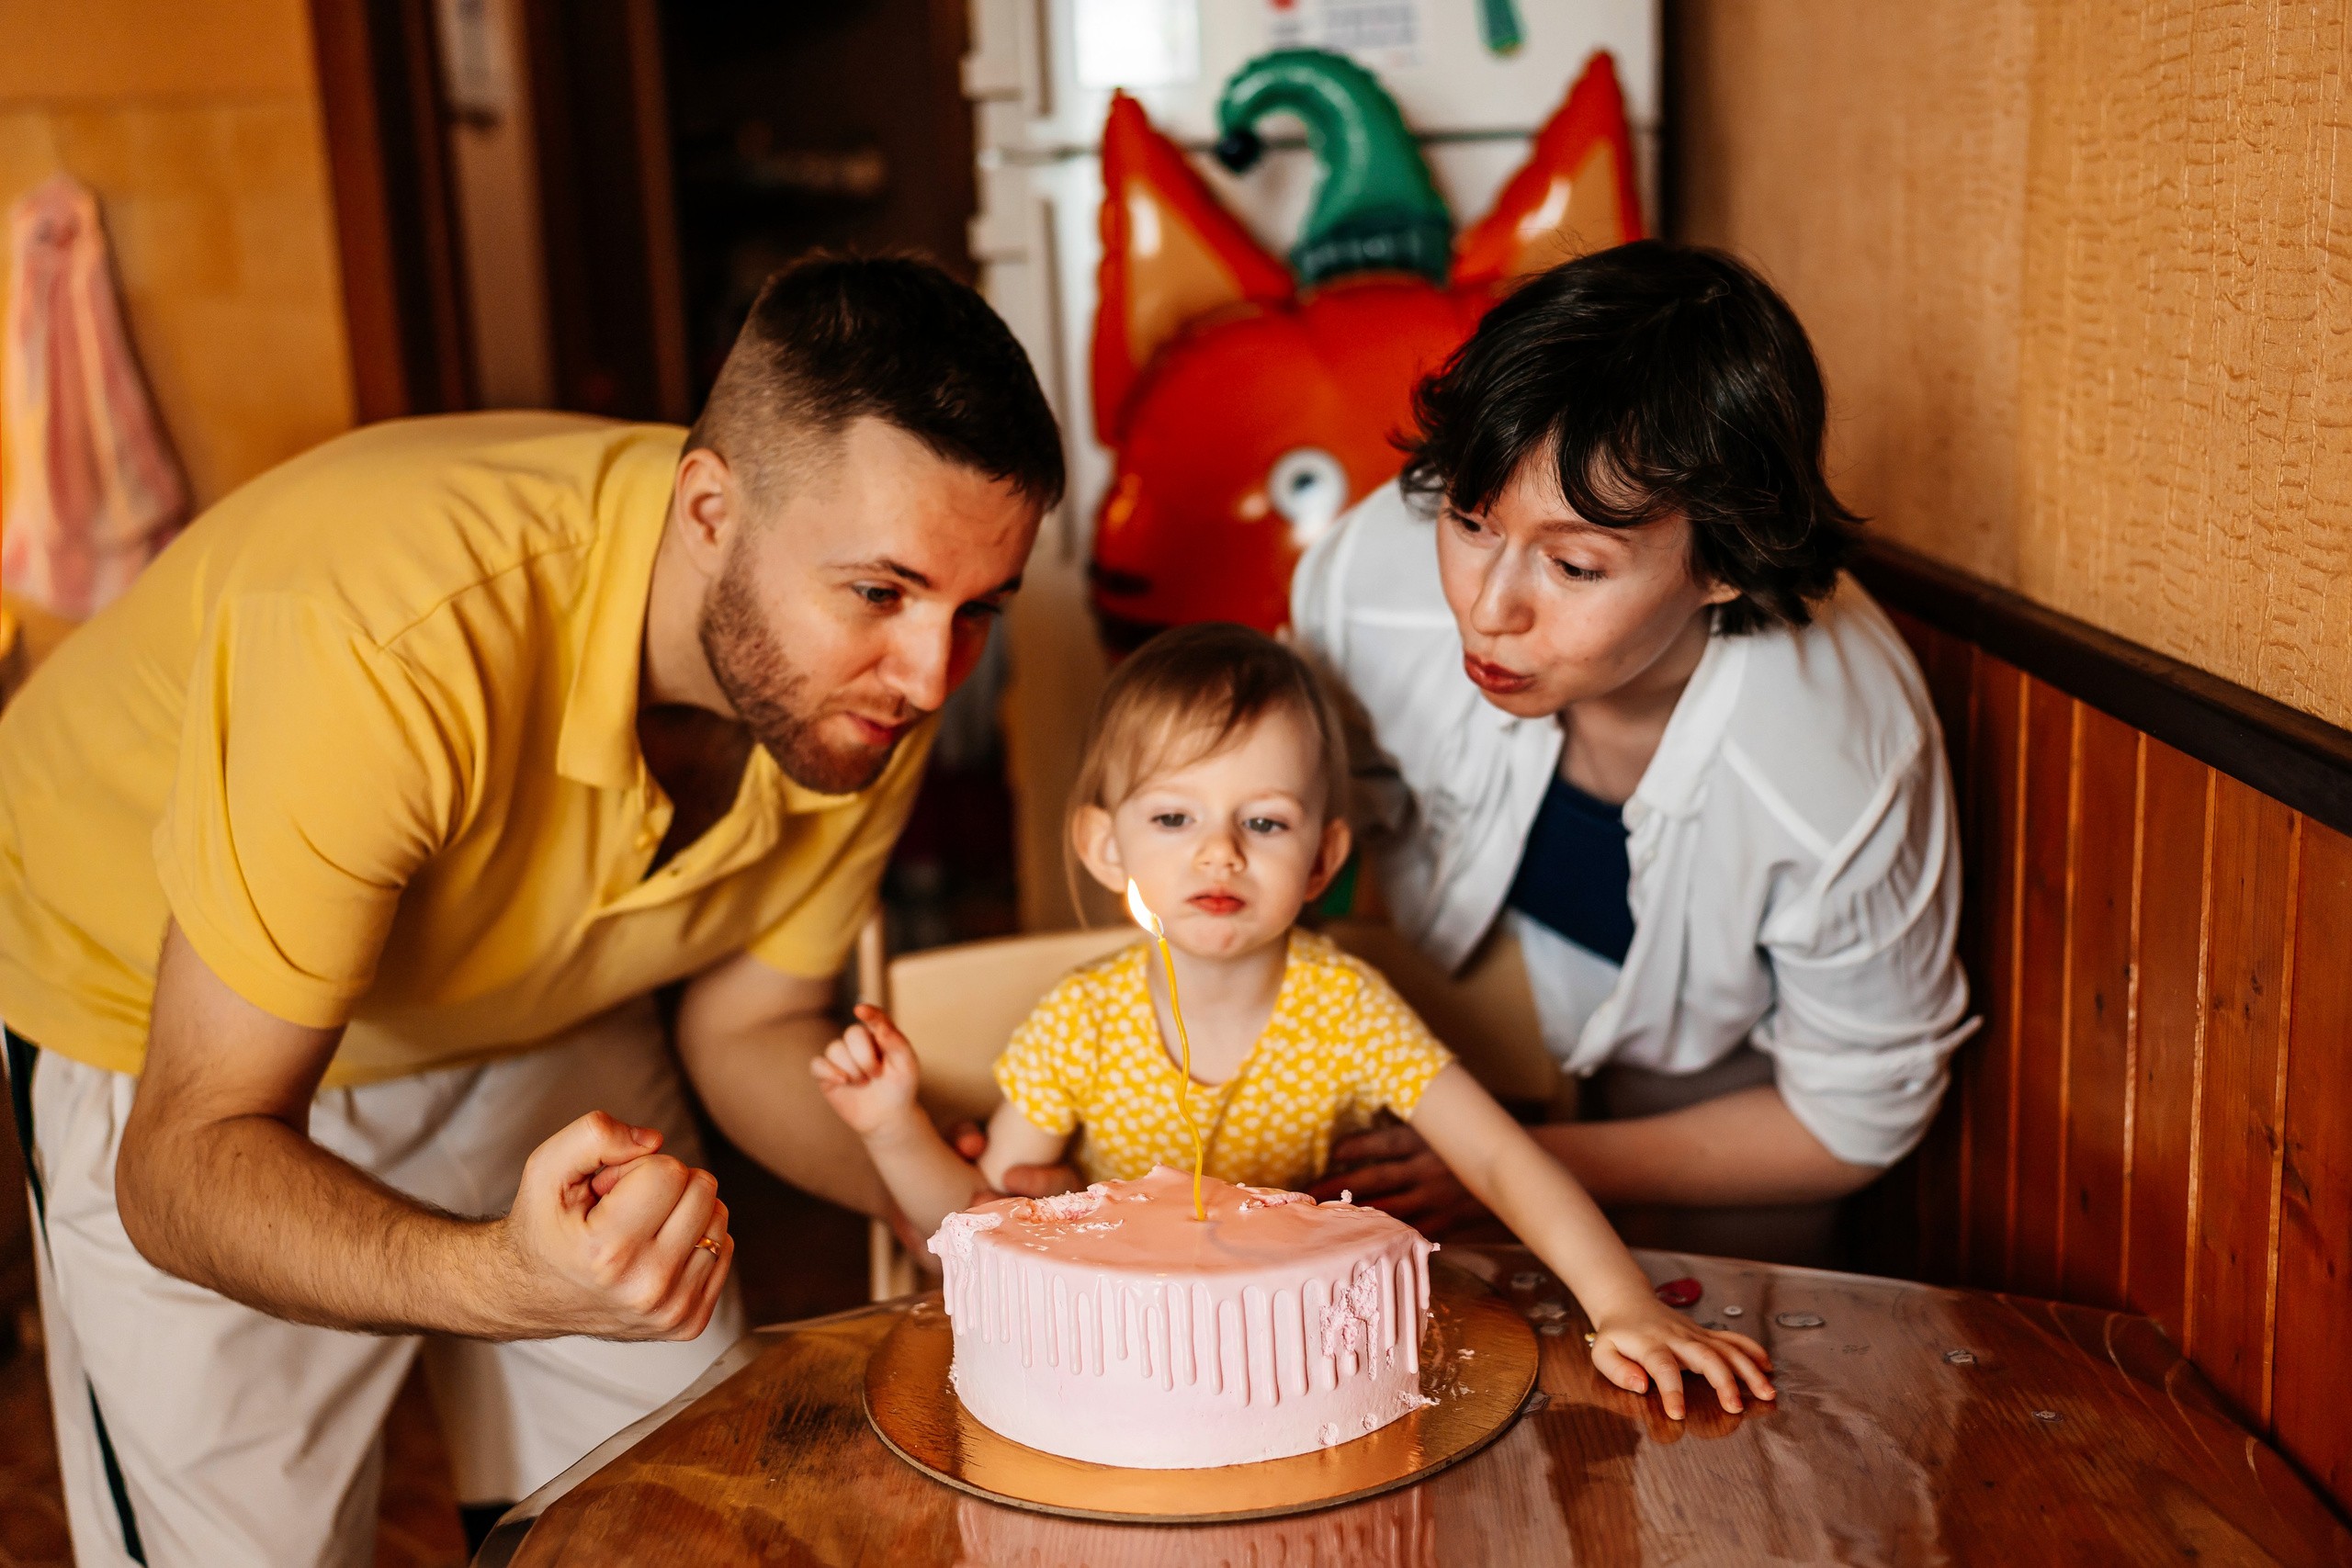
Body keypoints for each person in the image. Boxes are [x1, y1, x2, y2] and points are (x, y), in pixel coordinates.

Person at [0, 253, 1062, 1566]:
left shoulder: (854, 688)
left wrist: (957, 1210)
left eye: (977, 610)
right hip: (171, 1033)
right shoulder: (387, 632)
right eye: (881, 593)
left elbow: (749, 1025)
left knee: (679, 1510)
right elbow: (182, 1159)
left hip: (538, 994)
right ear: (709, 510)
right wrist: (497, 1276)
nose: (931, 677)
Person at [810, 623, 1776, 1420]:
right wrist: (894, 1127)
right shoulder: (1081, 1022)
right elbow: (978, 1226)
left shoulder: (1345, 1008)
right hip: (1121, 1392)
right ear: (1106, 847)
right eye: (1174, 819)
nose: (1220, 854)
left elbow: (1497, 1158)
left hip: (1318, 1389)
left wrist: (1623, 1303)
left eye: (1264, 822)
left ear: (1321, 859)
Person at [1290, 241, 1973, 1260]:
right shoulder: (1369, 581)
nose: (1488, 608)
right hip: (1451, 1014)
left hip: (1716, 1107)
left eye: (1574, 566)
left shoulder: (1838, 766)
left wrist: (1510, 1162)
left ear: (1725, 562)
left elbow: (1851, 1117)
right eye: (1470, 521)